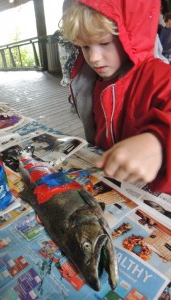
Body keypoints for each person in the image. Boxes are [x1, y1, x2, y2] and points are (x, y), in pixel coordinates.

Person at [61, 0, 171, 194]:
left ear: (131, 36)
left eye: (104, 43)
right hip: (111, 181)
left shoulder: (160, 76)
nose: (94, 57)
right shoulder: (90, 80)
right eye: (85, 47)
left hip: (154, 193)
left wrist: (158, 142)